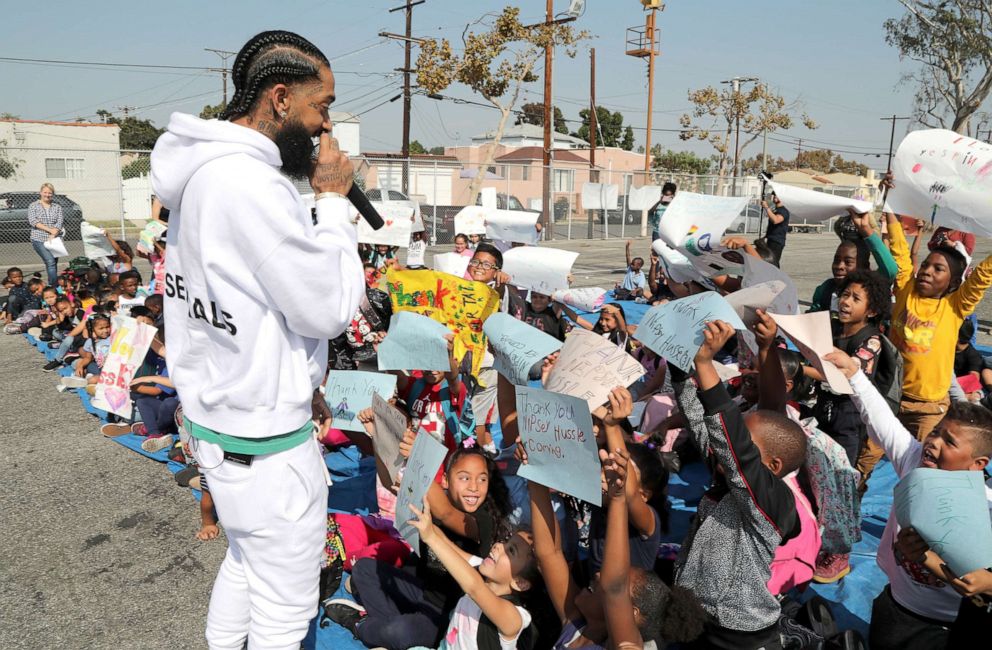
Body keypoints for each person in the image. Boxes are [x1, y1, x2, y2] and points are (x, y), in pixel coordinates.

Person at [150, 30, 364, 650]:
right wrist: (330, 203)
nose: (326, 126)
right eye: (320, 107)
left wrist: (299, 375)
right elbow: (326, 306)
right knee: (285, 602)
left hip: (219, 420)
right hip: (265, 445)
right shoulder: (249, 184)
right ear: (279, 99)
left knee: (244, 563)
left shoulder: (202, 172)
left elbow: (247, 305)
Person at [825, 348, 992, 650]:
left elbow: (974, 581)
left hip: (947, 625)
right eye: (937, 432)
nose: (934, 442)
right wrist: (853, 374)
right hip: (896, 606)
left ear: (978, 464)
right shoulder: (913, 461)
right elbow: (882, 422)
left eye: (949, 441)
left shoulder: (986, 509)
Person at [673, 320, 804, 649]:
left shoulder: (772, 501)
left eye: (745, 442)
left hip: (739, 631)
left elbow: (736, 451)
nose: (728, 447)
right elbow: (698, 419)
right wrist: (676, 361)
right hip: (696, 613)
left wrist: (705, 365)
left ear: (772, 466)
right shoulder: (726, 474)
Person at [880, 180, 992, 441]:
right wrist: (891, 202)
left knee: (925, 464)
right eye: (926, 265)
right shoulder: (906, 289)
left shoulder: (954, 308)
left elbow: (982, 276)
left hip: (929, 408)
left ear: (953, 283)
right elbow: (898, 248)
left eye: (938, 269)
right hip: (889, 396)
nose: (927, 271)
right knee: (865, 461)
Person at [27, 182, 64, 285]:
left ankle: (50, 285)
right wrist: (49, 230)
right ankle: (54, 287)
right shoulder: (33, 206)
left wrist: (53, 234)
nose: (47, 195)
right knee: (50, 262)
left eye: (50, 193)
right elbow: (33, 221)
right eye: (45, 192)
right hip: (39, 239)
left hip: (54, 239)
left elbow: (59, 222)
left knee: (53, 263)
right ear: (41, 192)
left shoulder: (57, 207)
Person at [760, 192, 790, 267]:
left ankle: (777, 277)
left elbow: (776, 220)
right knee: (768, 262)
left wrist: (766, 207)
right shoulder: (776, 210)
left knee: (773, 263)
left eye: (778, 195)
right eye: (774, 195)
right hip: (771, 240)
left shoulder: (783, 211)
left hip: (777, 242)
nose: (775, 196)